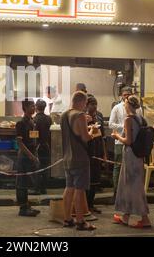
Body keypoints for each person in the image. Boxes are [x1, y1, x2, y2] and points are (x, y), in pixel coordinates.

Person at [111, 95, 151, 228]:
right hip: (138, 155)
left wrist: (116, 135)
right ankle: (125, 216)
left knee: (133, 186)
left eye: (125, 103)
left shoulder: (128, 119)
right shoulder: (140, 118)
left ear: (128, 105)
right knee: (131, 185)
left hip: (130, 154)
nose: (124, 104)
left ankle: (144, 218)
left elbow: (128, 141)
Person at [61, 91, 96, 231]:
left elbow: (74, 132)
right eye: (86, 103)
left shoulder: (65, 115)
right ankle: (81, 222)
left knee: (69, 188)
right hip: (80, 158)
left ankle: (67, 218)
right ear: (82, 101)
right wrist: (92, 131)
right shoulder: (80, 115)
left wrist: (84, 125)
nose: (86, 106)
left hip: (67, 157)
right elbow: (85, 137)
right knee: (80, 190)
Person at [109, 86, 141, 199]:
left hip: (133, 145)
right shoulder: (117, 108)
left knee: (130, 170)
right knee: (118, 168)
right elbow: (111, 124)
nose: (126, 96)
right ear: (121, 95)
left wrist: (127, 128)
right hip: (119, 144)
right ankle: (117, 193)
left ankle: (128, 195)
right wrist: (124, 127)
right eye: (124, 94)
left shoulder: (138, 110)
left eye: (128, 94)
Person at [15, 99, 40, 217]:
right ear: (25, 108)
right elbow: (20, 143)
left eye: (34, 106)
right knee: (22, 182)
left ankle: (26, 205)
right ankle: (23, 208)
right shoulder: (21, 123)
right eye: (31, 106)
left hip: (31, 155)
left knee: (28, 181)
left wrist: (35, 154)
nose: (34, 108)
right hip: (24, 156)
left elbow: (33, 138)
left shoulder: (32, 121)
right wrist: (31, 155)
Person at [85, 95, 106, 215]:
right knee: (87, 180)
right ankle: (85, 206)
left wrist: (104, 154)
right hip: (88, 151)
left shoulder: (99, 117)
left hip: (97, 151)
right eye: (92, 104)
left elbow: (102, 137)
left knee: (95, 180)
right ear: (87, 105)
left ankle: (91, 205)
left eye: (95, 104)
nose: (94, 107)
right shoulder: (84, 118)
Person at [33, 99, 52, 195]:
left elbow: (34, 135)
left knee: (37, 167)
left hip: (38, 146)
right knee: (45, 167)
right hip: (47, 145)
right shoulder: (49, 119)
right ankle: (44, 188)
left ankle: (36, 189)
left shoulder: (35, 119)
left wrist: (34, 145)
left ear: (36, 107)